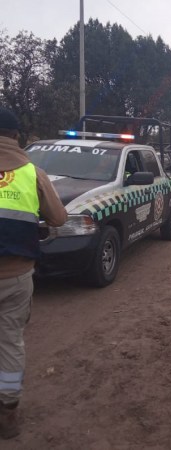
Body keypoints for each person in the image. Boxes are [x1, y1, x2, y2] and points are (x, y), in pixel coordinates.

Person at [0, 107, 67, 439]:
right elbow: (59, 218)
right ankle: (7, 413)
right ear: (17, 137)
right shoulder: (33, 173)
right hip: (15, 275)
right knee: (10, 341)